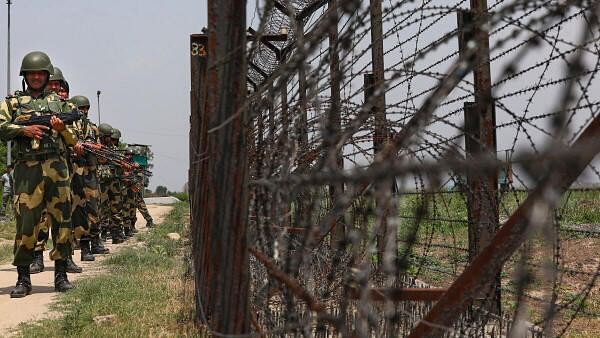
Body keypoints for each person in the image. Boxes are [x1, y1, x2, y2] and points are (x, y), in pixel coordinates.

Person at [0, 51, 83, 297]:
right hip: (27, 168)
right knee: (26, 222)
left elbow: (75, 140)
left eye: (40, 73)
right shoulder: (13, 103)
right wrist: (24, 130)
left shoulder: (64, 105)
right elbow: (2, 126)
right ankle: (23, 279)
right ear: (25, 76)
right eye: (31, 73)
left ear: (47, 76)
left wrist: (61, 129)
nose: (36, 77)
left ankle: (61, 275)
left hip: (57, 167)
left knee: (62, 220)